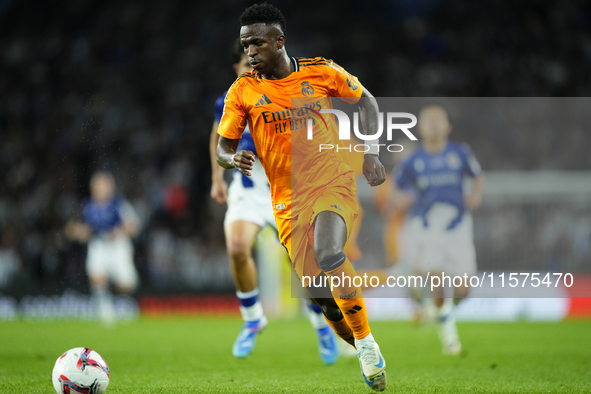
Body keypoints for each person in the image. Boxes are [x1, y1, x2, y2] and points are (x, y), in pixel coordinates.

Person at [216, 4, 387, 391]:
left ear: (279, 41)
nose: (251, 53)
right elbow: (222, 148)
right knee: (321, 297)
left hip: (332, 181)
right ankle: (363, 343)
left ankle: (365, 342)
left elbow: (367, 102)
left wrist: (372, 152)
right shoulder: (242, 91)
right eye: (245, 45)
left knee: (329, 252)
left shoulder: (320, 71)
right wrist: (232, 158)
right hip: (287, 200)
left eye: (258, 43)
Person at [209, 39, 339, 364]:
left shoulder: (287, 91)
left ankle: (320, 325)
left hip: (287, 187)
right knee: (238, 247)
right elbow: (218, 138)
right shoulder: (230, 99)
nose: (252, 68)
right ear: (236, 68)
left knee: (303, 264)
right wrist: (216, 178)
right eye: (246, 64)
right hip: (249, 188)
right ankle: (253, 318)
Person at [392, 104, 485, 355]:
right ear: (421, 128)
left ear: (447, 127)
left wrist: (475, 195)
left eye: (437, 121)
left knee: (463, 289)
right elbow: (396, 189)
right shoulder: (413, 159)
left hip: (458, 225)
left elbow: (478, 176)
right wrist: (402, 199)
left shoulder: (460, 153)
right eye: (428, 121)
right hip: (427, 225)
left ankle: (434, 311)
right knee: (437, 277)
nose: (433, 125)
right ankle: (450, 338)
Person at [65, 171, 140, 325]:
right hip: (98, 245)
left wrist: (119, 231)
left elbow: (134, 226)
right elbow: (74, 228)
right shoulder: (87, 206)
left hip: (118, 246)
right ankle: (105, 313)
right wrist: (79, 232)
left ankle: (115, 281)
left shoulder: (119, 204)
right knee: (96, 276)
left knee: (127, 285)